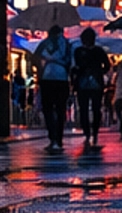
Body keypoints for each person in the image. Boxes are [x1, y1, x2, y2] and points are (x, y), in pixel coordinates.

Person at [35, 23, 74, 151]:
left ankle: (52, 137)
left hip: (47, 78)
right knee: (60, 108)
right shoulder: (68, 45)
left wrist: (41, 69)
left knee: (48, 109)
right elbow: (71, 63)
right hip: (62, 78)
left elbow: (35, 57)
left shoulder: (44, 44)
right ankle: (59, 138)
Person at [72, 27, 108, 148]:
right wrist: (99, 72)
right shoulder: (99, 51)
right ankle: (93, 132)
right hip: (95, 82)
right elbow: (107, 65)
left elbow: (75, 67)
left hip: (83, 82)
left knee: (84, 109)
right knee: (95, 108)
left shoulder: (78, 51)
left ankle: (88, 132)